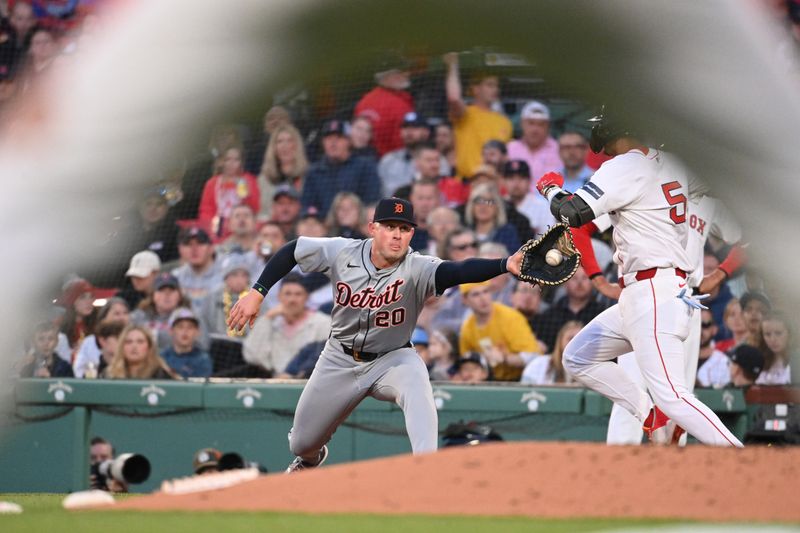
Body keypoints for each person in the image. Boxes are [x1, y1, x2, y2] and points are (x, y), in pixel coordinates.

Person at [227, 197, 526, 472]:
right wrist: (258, 291)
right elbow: (293, 249)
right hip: (339, 358)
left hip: (392, 358)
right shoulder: (342, 252)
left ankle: (430, 473)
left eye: (405, 229)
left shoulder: (417, 267)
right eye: (390, 227)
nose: (397, 235)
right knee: (301, 443)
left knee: (416, 385)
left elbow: (459, 270)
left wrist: (503, 264)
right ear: (372, 228)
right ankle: (311, 459)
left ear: (412, 235)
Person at [536, 110, 743, 446]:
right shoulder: (671, 163)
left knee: (674, 396)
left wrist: (549, 189)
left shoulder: (624, 165)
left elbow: (572, 214)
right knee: (577, 356)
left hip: (655, 293)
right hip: (645, 293)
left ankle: (743, 458)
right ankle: (650, 416)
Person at [242, 273, 331, 375]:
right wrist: (267, 318)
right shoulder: (271, 323)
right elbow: (252, 356)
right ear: (279, 296)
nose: (292, 300)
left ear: (306, 297)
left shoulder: (323, 323)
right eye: (288, 294)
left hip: (310, 382)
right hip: (276, 383)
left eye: (298, 294)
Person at [443, 52, 512, 178]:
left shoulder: (505, 121)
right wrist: (452, 65)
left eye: (496, 86)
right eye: (490, 85)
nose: (495, 89)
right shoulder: (466, 114)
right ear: (475, 89)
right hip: (467, 182)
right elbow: (453, 98)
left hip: (494, 184)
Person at [458, 281, 541, 382]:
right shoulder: (467, 328)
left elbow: (533, 356)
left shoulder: (511, 317)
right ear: (465, 300)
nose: (483, 298)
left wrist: (504, 359)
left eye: (486, 292)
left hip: (519, 381)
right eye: (476, 294)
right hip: (488, 382)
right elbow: (467, 363)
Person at [300, 119, 381, 217]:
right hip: (325, 228)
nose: (333, 143)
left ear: (349, 141)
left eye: (338, 138)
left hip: (358, 225)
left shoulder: (365, 167)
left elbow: (371, 202)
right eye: (328, 138)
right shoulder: (314, 172)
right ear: (323, 142)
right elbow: (307, 206)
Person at [531, 267, 606, 351]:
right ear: (564, 282)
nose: (579, 283)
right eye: (574, 278)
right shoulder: (549, 316)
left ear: (593, 282)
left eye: (584, 278)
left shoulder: (602, 315)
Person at [353, 55, 414, 156]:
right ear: (389, 76)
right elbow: (403, 144)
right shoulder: (400, 106)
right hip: (390, 164)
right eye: (403, 70)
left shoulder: (364, 102)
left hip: (363, 160)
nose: (408, 73)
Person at [378, 112, 448, 196]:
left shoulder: (438, 160)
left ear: (426, 132)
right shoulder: (388, 160)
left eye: (415, 127)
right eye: (405, 127)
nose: (408, 132)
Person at [198, 146, 260, 239]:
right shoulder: (212, 183)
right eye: (228, 159)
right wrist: (213, 229)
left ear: (241, 163)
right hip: (218, 231)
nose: (231, 163)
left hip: (243, 230)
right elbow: (205, 211)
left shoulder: (249, 180)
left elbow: (255, 207)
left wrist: (246, 195)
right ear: (221, 162)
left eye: (236, 160)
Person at [198, 254, 252, 347]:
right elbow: (204, 324)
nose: (240, 280)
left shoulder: (256, 298)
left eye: (244, 275)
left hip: (248, 348)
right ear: (226, 278)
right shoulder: (212, 297)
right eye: (234, 275)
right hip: (218, 346)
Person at [257, 123, 308, 221]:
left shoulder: (308, 176)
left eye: (289, 140)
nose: (285, 146)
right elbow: (261, 212)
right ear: (274, 147)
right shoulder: (263, 180)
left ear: (296, 145)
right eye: (280, 141)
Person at [130, 273, 192, 351]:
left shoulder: (189, 317)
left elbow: (196, 342)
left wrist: (154, 335)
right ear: (153, 296)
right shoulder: (139, 315)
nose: (167, 294)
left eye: (171, 290)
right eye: (161, 290)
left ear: (179, 296)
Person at [73, 297, 130, 378]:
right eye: (117, 313)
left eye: (125, 313)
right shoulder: (89, 342)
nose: (122, 317)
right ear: (104, 317)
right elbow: (79, 371)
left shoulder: (134, 338)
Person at [506, 100, 561, 182]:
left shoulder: (559, 150)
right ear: (522, 124)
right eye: (531, 123)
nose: (535, 129)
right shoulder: (509, 149)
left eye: (540, 124)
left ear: (548, 126)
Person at [171, 227, 222, 311]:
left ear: (211, 248)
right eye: (188, 244)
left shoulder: (225, 274)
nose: (194, 249)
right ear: (180, 249)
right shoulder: (176, 277)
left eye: (200, 243)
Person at [102, 325, 179, 380]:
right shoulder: (109, 375)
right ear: (122, 347)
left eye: (140, 342)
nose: (134, 346)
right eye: (129, 342)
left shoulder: (161, 375)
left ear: (149, 347)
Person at [464, 183, 520, 254]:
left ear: (498, 207)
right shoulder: (464, 231)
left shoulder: (508, 233)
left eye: (489, 202)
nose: (483, 206)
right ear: (471, 206)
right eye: (479, 201)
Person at [521, 321, 582, 385]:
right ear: (560, 341)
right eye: (570, 338)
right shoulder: (538, 364)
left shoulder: (591, 368)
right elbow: (525, 391)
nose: (575, 343)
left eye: (579, 339)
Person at [501, 159, 551, 234]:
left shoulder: (543, 206)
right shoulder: (499, 204)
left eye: (521, 178)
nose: (516, 183)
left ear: (529, 181)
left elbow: (550, 237)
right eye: (511, 178)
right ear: (504, 181)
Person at [161, 308, 213, 379]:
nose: (185, 331)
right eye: (180, 327)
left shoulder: (203, 360)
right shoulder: (162, 358)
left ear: (197, 332)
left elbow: (200, 387)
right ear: (171, 331)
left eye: (190, 327)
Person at [57, 278, 97, 353]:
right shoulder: (59, 325)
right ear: (72, 301)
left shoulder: (97, 324)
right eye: (82, 297)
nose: (89, 301)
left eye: (91, 296)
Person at [695, 309, 733, 388]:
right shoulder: (677, 357)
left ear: (714, 329)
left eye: (705, 325)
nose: (700, 329)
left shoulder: (724, 361)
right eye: (695, 324)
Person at [757, 311, 793, 385]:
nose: (773, 339)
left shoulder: (796, 360)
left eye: (778, 333)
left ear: (789, 333)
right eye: (767, 334)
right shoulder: (759, 360)